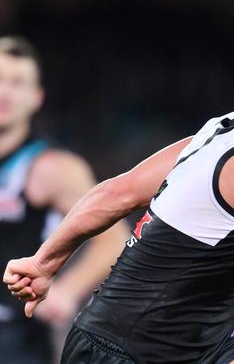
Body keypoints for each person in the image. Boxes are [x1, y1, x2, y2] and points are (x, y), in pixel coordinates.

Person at [5, 24, 234, 363]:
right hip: (130, 351)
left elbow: (118, 192)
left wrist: (43, 263)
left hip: (178, 339)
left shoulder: (229, 129)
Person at [0, 36, 130, 363]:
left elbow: (115, 239)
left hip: (15, 339)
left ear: (36, 97)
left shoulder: (52, 168)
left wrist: (67, 292)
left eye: (17, 83)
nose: (5, 92)